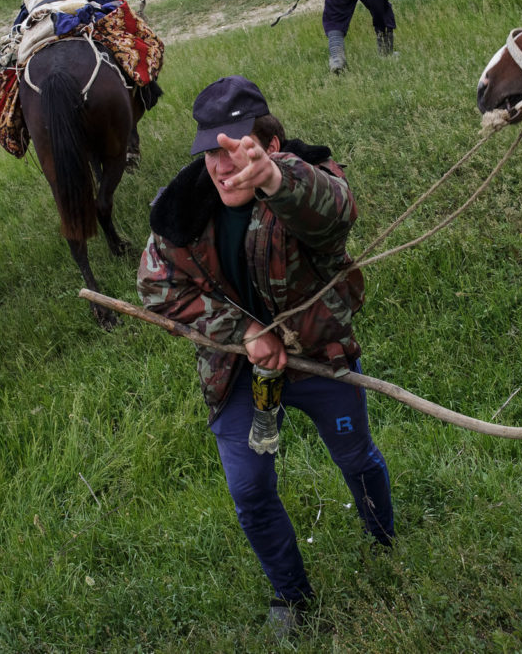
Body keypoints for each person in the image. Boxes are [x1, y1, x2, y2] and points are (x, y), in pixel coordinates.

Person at [138, 75, 395, 637]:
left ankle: (384, 540)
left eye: (237, 150)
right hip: (236, 374)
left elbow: (336, 215)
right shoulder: (180, 210)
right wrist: (244, 329)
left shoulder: (305, 184)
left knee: (356, 458)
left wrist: (277, 179)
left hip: (319, 357)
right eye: (211, 152)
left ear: (270, 143)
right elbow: (158, 288)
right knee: (250, 488)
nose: (223, 167)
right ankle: (290, 595)